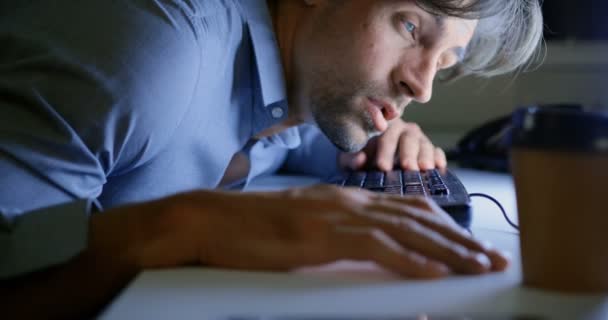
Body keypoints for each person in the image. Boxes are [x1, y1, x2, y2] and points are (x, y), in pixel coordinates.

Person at [0, 0, 543, 318]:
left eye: (445, 60)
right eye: (409, 27)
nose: (421, 85)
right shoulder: (156, 55)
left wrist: (388, 136)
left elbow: (314, 145)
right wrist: (185, 227)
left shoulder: (305, 90)